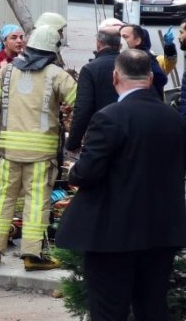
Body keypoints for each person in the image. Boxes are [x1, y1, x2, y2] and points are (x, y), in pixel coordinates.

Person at [56, 49, 186, 321]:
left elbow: (88, 172)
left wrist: (74, 171)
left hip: (113, 233)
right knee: (152, 308)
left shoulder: (109, 117)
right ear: (151, 78)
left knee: (108, 311)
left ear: (115, 77)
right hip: (162, 231)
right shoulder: (174, 119)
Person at [0, 25, 77, 271]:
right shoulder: (57, 75)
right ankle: (32, 255)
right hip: (41, 156)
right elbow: (80, 103)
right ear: (53, 49)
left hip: (8, 153)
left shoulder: (7, 72)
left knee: (2, 198)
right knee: (36, 203)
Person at [64, 22, 121, 152]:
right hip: (128, 134)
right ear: (119, 45)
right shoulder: (129, 64)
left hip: (100, 135)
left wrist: (73, 142)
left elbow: (83, 110)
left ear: (98, 43)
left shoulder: (90, 69)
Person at [119, 24, 168, 98]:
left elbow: (161, 79)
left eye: (125, 37)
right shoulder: (121, 57)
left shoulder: (145, 57)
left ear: (138, 40)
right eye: (119, 37)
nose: (121, 41)